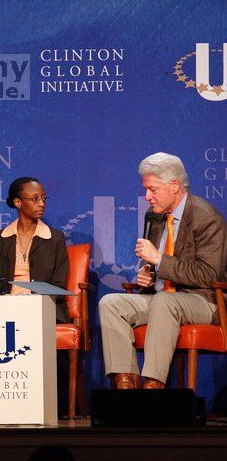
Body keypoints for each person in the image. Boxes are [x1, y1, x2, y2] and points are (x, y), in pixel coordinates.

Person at [99, 152, 226, 389]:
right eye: (146, 189)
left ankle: (154, 384)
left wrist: (159, 259)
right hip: (162, 299)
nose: (147, 196)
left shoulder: (206, 217)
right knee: (110, 303)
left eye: (153, 189)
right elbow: (154, 264)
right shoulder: (155, 217)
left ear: (174, 185)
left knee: (164, 302)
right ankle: (126, 382)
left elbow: (209, 275)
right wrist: (146, 274)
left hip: (203, 301)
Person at [0, 177, 70, 323]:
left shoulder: (55, 238)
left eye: (44, 198)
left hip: (44, 310)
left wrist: (34, 304)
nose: (42, 204)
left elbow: (59, 285)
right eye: (35, 199)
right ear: (18, 202)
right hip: (6, 310)